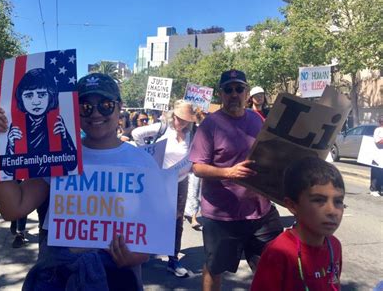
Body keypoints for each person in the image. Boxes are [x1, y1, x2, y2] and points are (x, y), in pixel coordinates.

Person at [0, 73, 157, 289]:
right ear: (74, 110)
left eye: (105, 105)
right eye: (85, 106)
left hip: (117, 280)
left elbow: (153, 231)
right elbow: (13, 208)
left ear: (119, 107)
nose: (95, 113)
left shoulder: (143, 162)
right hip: (59, 280)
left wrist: (139, 256)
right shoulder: (58, 154)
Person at [189, 69, 283, 291]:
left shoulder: (257, 120)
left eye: (239, 89)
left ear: (247, 93)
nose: (234, 94)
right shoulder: (210, 125)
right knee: (215, 269)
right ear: (221, 94)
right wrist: (228, 173)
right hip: (222, 216)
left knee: (273, 266)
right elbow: (197, 167)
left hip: (261, 211)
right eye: (228, 89)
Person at [251, 157, 344, 290]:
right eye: (319, 200)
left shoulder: (334, 246)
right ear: (292, 205)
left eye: (338, 201)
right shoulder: (279, 252)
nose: (332, 211)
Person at [132, 100, 196, 278]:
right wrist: (146, 153)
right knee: (151, 217)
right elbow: (137, 133)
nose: (182, 123)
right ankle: (143, 252)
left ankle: (173, 259)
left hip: (180, 183)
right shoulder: (162, 128)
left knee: (176, 222)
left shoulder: (193, 133)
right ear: (173, 116)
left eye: (186, 120)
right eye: (179, 118)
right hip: (158, 182)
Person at [5, 68, 77, 178]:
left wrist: (64, 138)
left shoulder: (56, 122)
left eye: (42, 95)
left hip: (56, 186)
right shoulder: (17, 126)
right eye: (29, 96)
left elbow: (72, 165)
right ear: (21, 98)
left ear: (50, 96)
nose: (36, 101)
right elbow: (8, 171)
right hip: (28, 187)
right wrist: (11, 146)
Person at [370, 115, 383, 197]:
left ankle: (381, 189)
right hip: (377, 155)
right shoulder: (377, 130)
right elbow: (377, 141)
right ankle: (374, 189)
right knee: (376, 173)